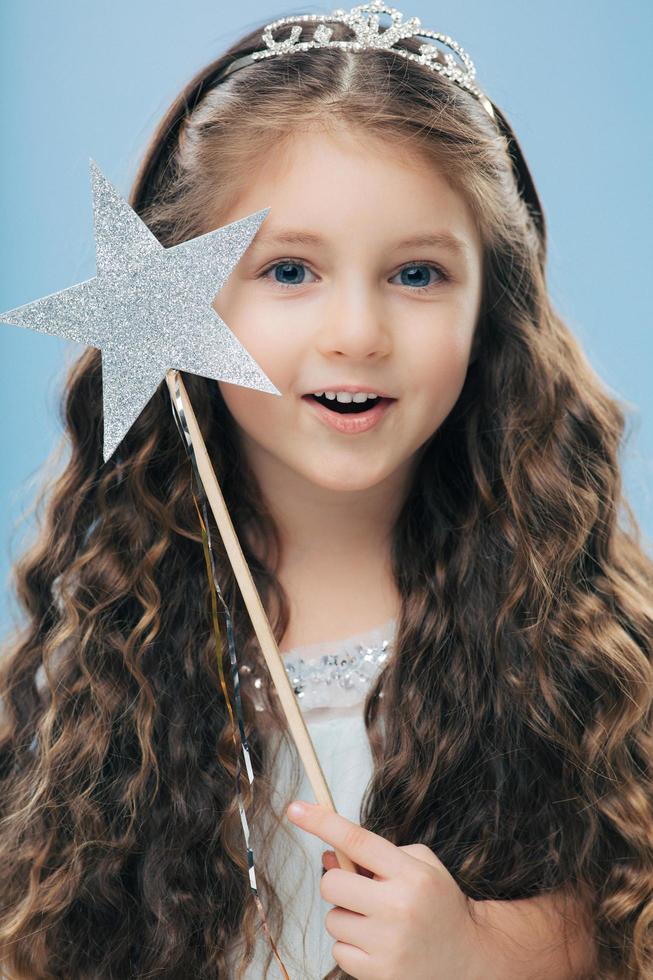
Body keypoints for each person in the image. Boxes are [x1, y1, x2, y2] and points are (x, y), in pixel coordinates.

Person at [1, 4, 652, 978]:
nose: (356, 331)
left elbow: (620, 915)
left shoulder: (559, 631)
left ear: (492, 308)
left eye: (418, 272)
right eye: (290, 269)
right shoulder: (111, 642)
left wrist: (475, 952)